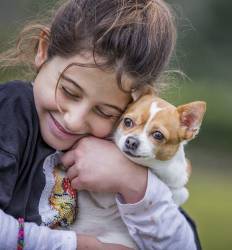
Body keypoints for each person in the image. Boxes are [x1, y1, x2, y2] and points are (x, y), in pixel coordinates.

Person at [0, 0, 201, 249]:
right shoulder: (11, 109)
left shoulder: (123, 148)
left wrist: (133, 182)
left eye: (104, 111)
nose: (74, 119)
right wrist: (77, 245)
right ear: (43, 49)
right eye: (69, 91)